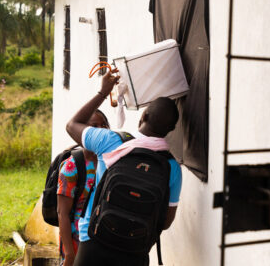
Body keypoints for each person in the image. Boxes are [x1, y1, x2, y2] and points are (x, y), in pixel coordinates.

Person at [66, 70, 182, 266]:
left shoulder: (110, 141)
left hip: (94, 241)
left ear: (144, 115)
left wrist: (103, 92)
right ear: (170, 130)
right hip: (135, 250)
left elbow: (72, 125)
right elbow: (165, 221)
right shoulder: (171, 167)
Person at [57, 110, 110, 266]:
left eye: (104, 125)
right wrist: (69, 254)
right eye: (94, 126)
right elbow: (62, 214)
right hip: (78, 243)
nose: (100, 130)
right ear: (83, 132)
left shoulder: (112, 161)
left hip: (106, 242)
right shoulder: (72, 167)